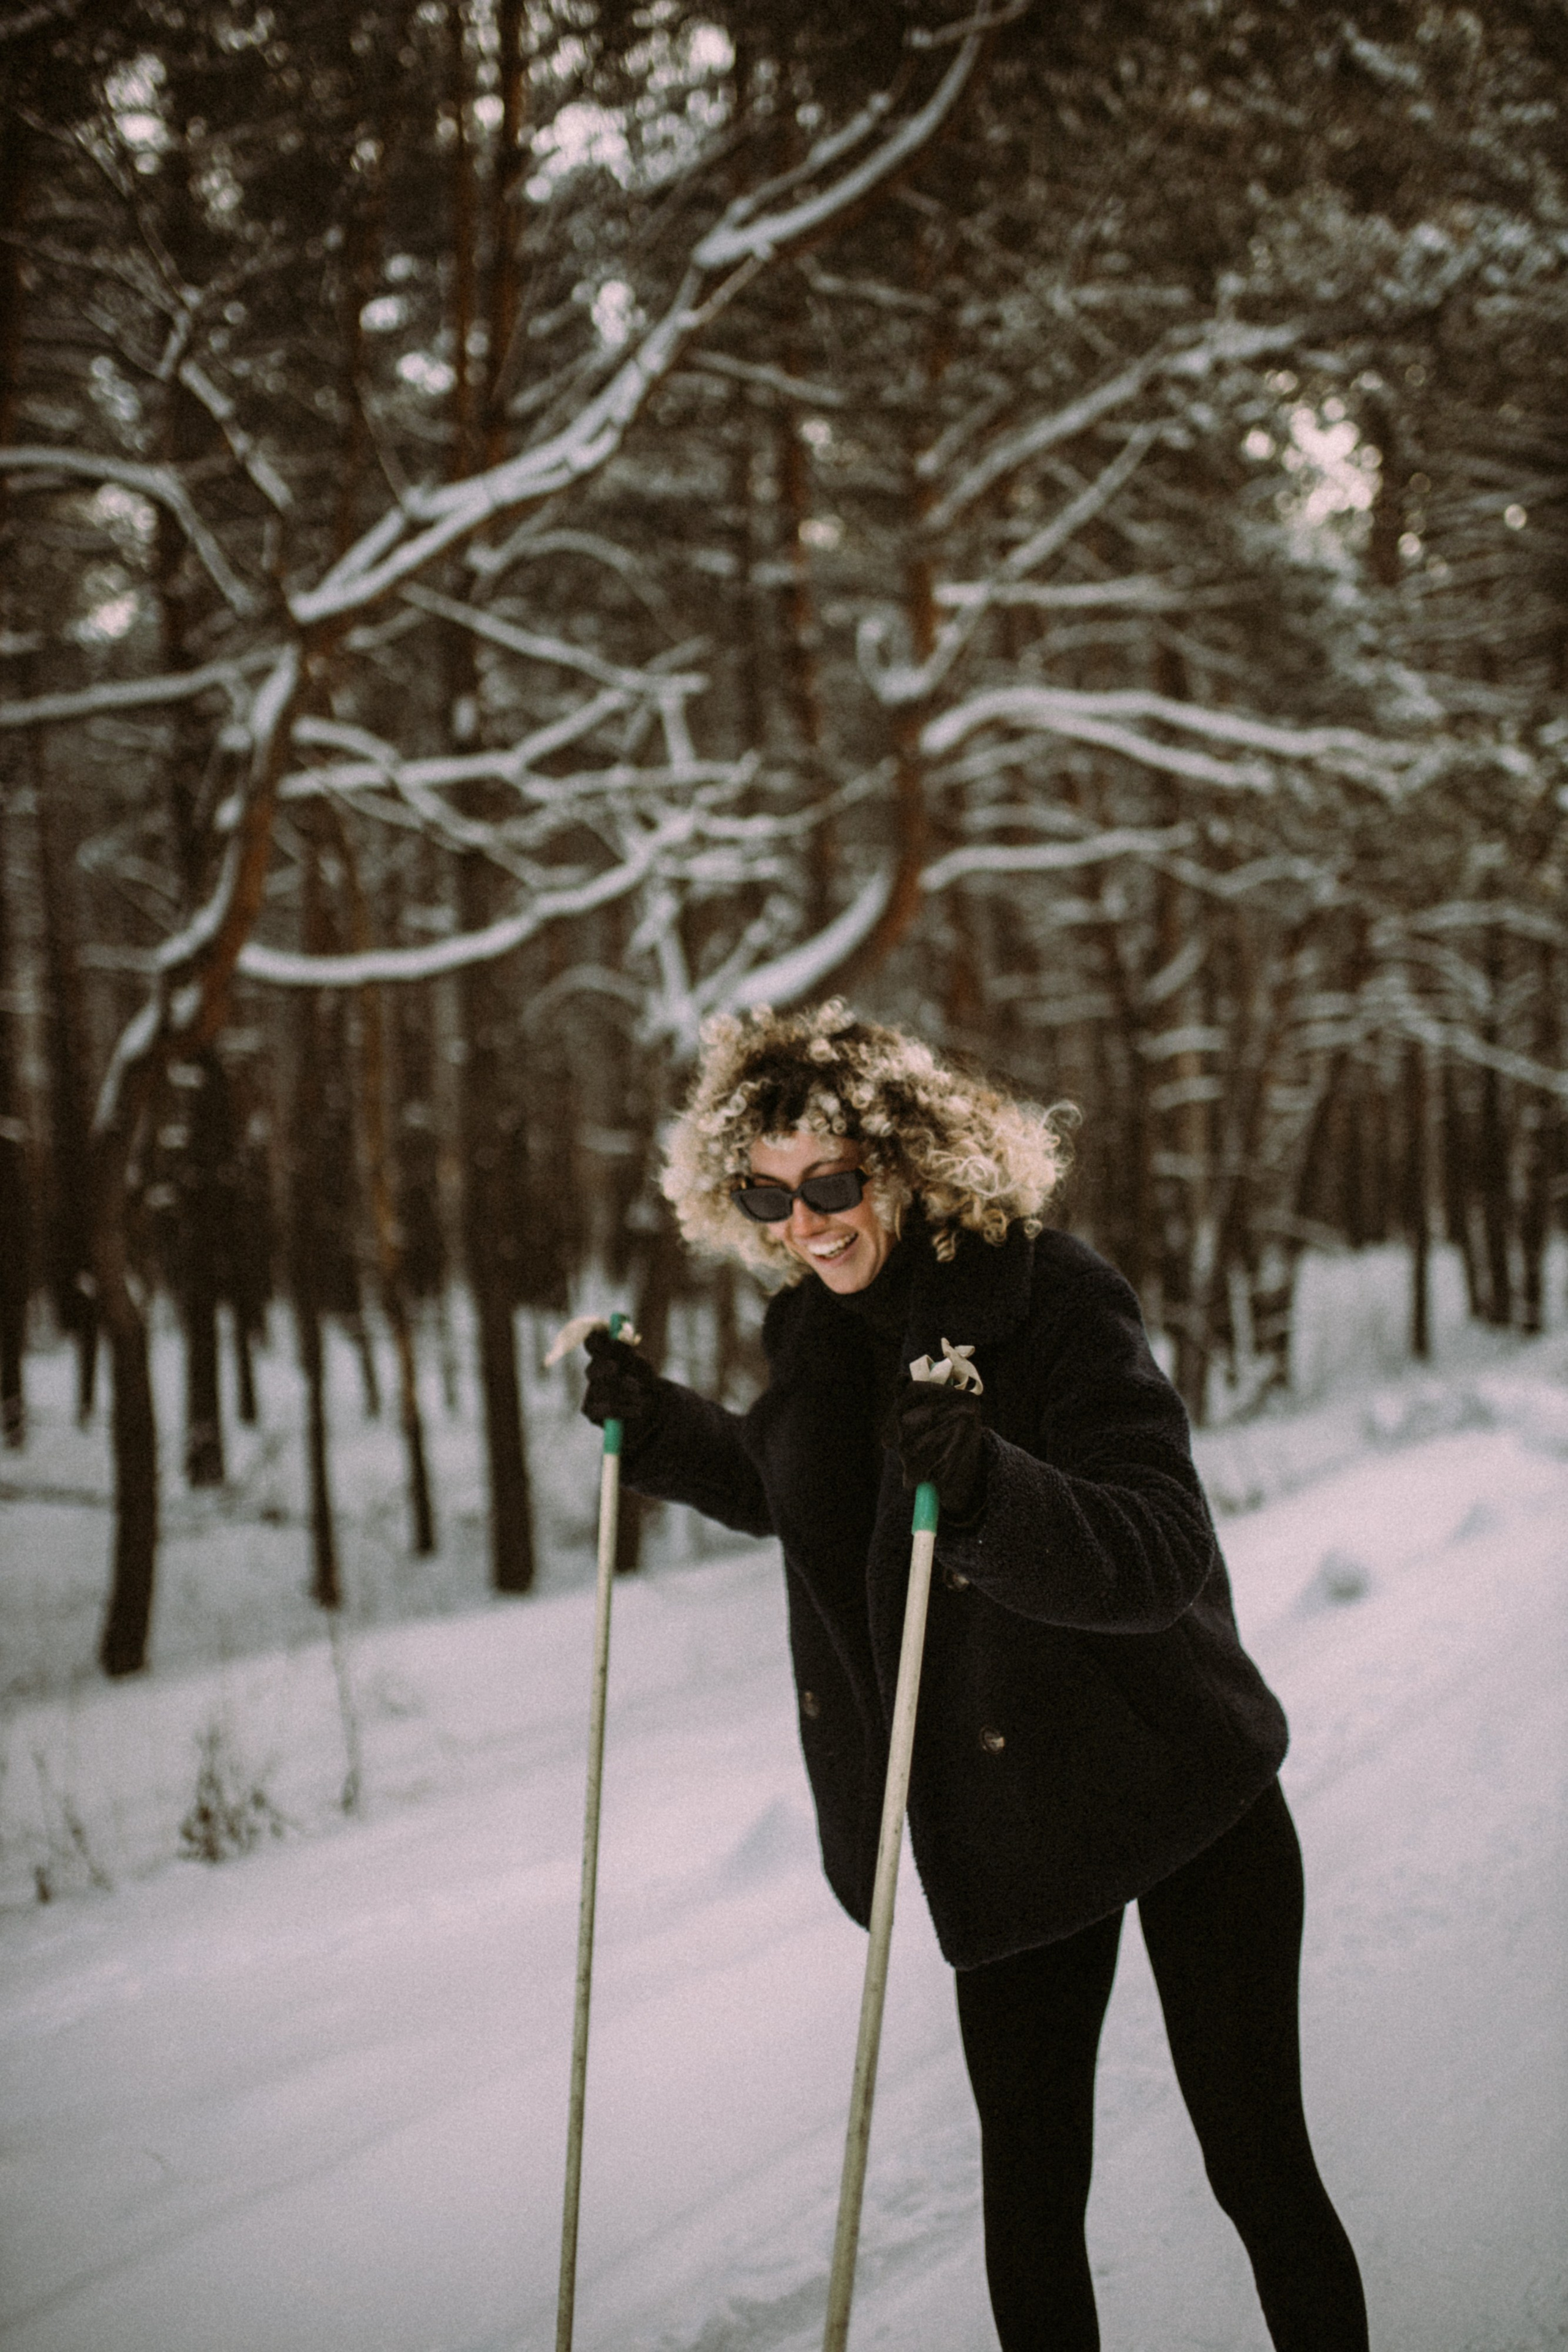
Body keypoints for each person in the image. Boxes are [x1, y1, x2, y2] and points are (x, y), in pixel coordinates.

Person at [579, 1000, 1368, 2352]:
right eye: (769, 1197)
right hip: (1007, 1826)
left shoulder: (1049, 1294)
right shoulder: (814, 1334)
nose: (808, 1223)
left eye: (833, 1182)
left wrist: (995, 1489)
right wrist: (657, 1433)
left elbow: (1160, 1547)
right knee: (1029, 2204)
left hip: (1179, 1784)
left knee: (1253, 2165)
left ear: (904, 1158)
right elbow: (808, 1495)